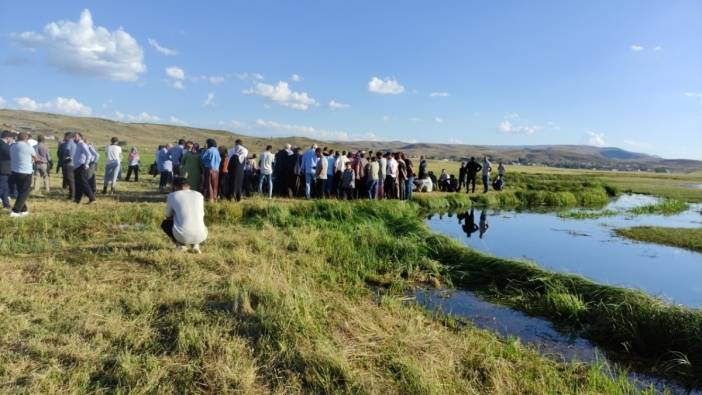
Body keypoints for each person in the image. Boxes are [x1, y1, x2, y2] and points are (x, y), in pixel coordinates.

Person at [162, 177, 208, 254]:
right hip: (202, 235)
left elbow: (167, 215)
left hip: (182, 235)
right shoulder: (199, 195)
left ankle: (181, 245)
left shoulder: (172, 195)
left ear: (175, 187)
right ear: (189, 186)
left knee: (165, 223)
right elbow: (202, 214)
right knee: (196, 219)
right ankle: (196, 245)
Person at [9, 132, 36, 217]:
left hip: (14, 171)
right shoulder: (29, 147)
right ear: (26, 139)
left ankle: (24, 210)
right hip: (26, 172)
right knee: (25, 192)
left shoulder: (12, 146)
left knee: (21, 191)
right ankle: (15, 211)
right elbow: (35, 157)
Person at [72, 133, 96, 204]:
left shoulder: (82, 144)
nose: (74, 138)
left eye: (75, 136)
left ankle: (92, 198)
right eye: (73, 137)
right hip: (76, 167)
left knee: (83, 183)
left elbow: (89, 154)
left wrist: (86, 163)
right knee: (78, 184)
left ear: (80, 137)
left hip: (81, 166)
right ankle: (77, 199)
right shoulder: (77, 145)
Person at [58, 132, 76, 199]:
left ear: (68, 136)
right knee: (70, 180)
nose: (64, 138)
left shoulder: (69, 142)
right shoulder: (73, 143)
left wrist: (67, 158)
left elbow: (67, 151)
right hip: (72, 163)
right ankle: (71, 194)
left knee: (70, 180)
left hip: (69, 164)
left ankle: (72, 195)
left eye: (65, 136)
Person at [0, 130, 14, 209]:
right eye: (11, 138)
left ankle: (6, 204)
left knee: (5, 187)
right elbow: (10, 156)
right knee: (2, 187)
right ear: (8, 138)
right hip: (3, 169)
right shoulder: (5, 146)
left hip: (3, 168)